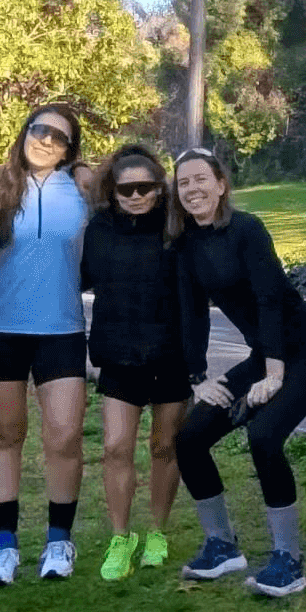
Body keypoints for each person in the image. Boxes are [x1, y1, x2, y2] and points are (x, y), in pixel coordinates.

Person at [172, 146, 306, 596]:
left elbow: (268, 298)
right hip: (263, 355)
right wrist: (198, 378)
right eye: (183, 183)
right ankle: (222, 546)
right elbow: (192, 314)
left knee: (264, 437)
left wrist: (274, 371)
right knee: (189, 440)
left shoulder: (247, 229)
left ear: (221, 183)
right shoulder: (186, 245)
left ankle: (289, 560)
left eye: (200, 179)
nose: (192, 189)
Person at [0, 101, 91, 587]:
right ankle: (4, 548)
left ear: (69, 150)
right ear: (25, 131)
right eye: (39, 129)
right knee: (5, 437)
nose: (46, 140)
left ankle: (59, 541)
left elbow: (135, 193)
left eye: (60, 137)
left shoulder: (83, 189)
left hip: (61, 331)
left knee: (63, 436)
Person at [81, 145, 190, 581]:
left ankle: (157, 532)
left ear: (160, 187)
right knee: (115, 447)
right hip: (119, 355)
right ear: (113, 190)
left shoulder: (177, 229)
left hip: (172, 354)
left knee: (165, 446)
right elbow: (78, 277)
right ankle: (120, 537)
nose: (137, 195)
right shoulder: (98, 231)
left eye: (146, 186)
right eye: (127, 188)